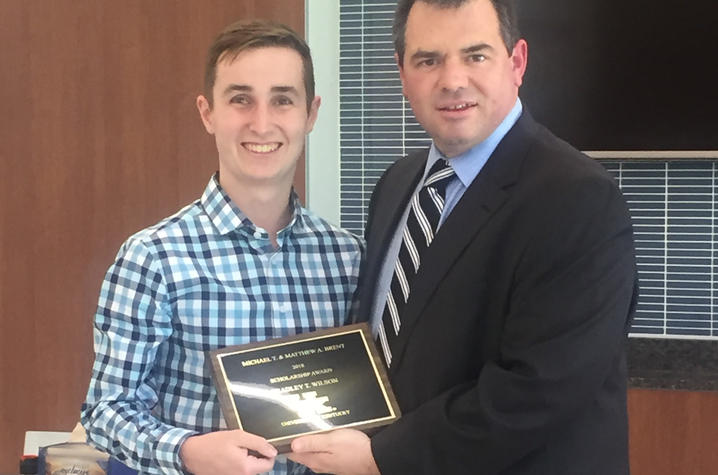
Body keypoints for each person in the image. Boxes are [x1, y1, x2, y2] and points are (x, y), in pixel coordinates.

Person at [288, 0, 638, 473]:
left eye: (475, 55)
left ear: (516, 63)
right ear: (402, 73)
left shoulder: (578, 199)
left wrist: (382, 457)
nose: (452, 80)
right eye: (428, 60)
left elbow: (537, 390)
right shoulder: (396, 185)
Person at [81, 19, 363, 475]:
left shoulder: (349, 258)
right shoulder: (153, 258)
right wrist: (188, 451)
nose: (262, 122)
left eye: (282, 100)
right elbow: (105, 411)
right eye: (240, 99)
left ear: (310, 114)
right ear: (207, 112)